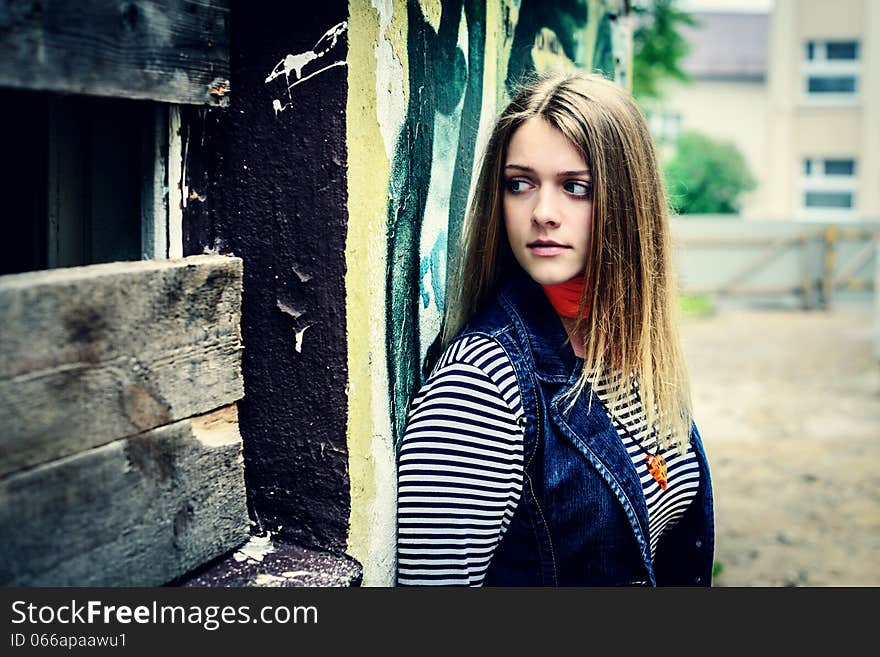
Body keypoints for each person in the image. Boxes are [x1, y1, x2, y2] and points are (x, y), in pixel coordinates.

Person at [396, 71, 714, 586]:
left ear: (630, 204)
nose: (543, 213)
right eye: (519, 184)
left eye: (575, 187)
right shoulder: (481, 385)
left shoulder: (633, 348)